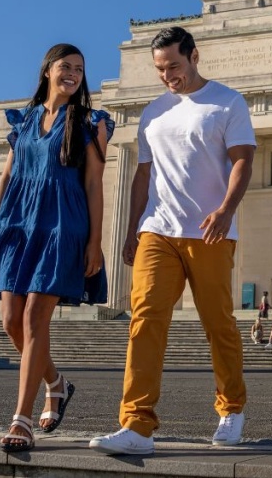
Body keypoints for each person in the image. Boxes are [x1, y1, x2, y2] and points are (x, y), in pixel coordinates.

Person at [90, 27, 256, 455]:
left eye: (174, 66)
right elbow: (143, 175)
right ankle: (137, 425)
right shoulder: (153, 112)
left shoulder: (227, 102)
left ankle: (231, 407)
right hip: (157, 229)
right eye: (160, 69)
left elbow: (243, 162)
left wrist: (225, 210)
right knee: (144, 319)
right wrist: (132, 230)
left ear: (194, 56)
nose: (168, 76)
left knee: (217, 322)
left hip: (209, 231)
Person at [0, 43, 113, 452]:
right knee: (10, 321)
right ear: (47, 71)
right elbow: (6, 177)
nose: (72, 74)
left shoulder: (91, 122)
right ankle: (56, 382)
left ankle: (20, 420)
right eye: (65, 66)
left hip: (62, 225)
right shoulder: (24, 121)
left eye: (79, 69)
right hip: (18, 225)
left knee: (36, 318)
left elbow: (93, 184)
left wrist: (95, 242)